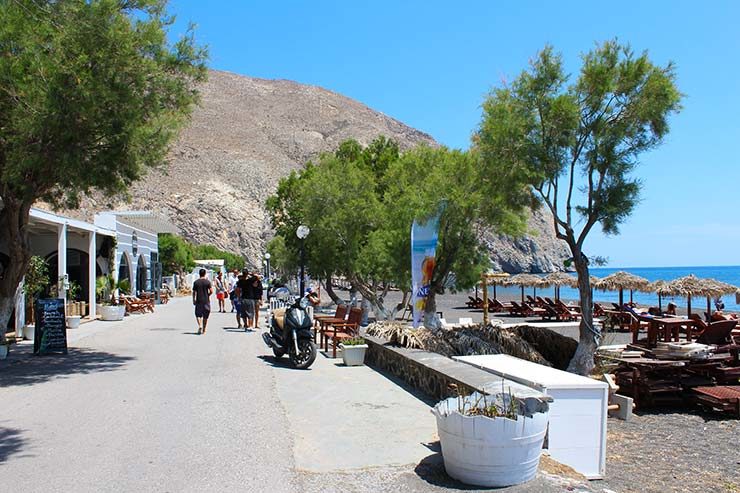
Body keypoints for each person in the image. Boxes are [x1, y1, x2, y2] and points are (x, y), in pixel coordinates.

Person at [192, 268, 213, 335]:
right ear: (205, 274)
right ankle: (204, 330)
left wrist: (194, 300)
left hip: (198, 300)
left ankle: (200, 325)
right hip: (206, 301)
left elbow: (194, 292)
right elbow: (211, 291)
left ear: (199, 274)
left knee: (198, 314)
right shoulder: (207, 282)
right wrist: (207, 295)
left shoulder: (196, 282)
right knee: (205, 316)